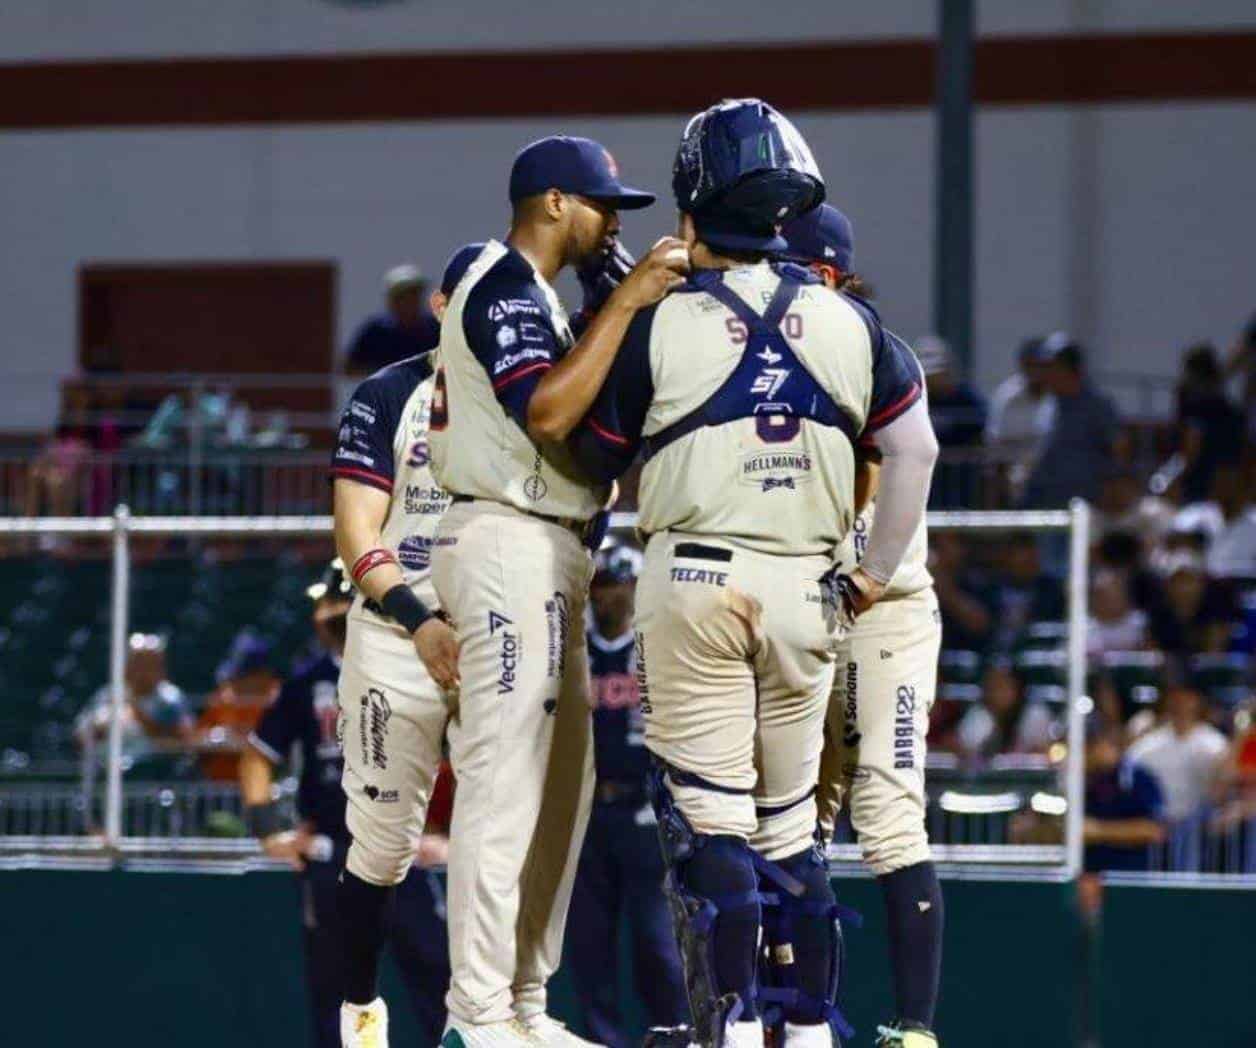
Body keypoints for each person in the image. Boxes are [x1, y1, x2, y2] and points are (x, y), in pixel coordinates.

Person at [569, 100, 936, 1048]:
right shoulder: (856, 324)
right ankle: (809, 1031)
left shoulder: (661, 321)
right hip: (811, 590)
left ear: (693, 202)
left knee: (715, 828)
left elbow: (592, 454)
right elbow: (917, 451)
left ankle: (730, 1029)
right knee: (790, 833)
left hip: (694, 582)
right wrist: (870, 575)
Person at [428, 133, 672, 1048]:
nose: (615, 224)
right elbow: (552, 410)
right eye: (607, 204)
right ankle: (477, 1013)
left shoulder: (542, 299)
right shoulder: (492, 275)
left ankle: (524, 1005)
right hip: (503, 540)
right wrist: (631, 298)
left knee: (563, 785)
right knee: (505, 780)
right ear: (557, 204)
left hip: (554, 547)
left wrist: (616, 306)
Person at [780, 203, 944, 1048]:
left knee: (885, 811)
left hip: (884, 604)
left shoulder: (870, 344)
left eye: (793, 266)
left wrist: (865, 569)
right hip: (809, 601)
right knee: (793, 816)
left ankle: (914, 1029)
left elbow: (890, 461)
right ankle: (801, 1020)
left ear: (832, 274)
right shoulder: (765, 352)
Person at [329, 245, 462, 1047]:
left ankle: (493, 1013)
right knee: (379, 849)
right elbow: (356, 533)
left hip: (491, 634)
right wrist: (420, 619)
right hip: (397, 627)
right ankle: (359, 1012)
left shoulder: (533, 397)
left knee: (509, 832)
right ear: (442, 305)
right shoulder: (387, 391)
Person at [239, 561, 453, 1047]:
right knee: (337, 988)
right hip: (334, 850)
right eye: (327, 612)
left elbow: (460, 751)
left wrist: (450, 833)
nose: (331, 620)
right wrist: (267, 828)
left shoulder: (410, 666)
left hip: (401, 844)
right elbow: (256, 756)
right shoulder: (306, 682)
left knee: (435, 971)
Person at [566, 542, 688, 1048]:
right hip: (589, 807)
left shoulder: (659, 645)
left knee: (657, 943)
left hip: (646, 807)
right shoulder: (577, 650)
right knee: (589, 946)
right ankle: (603, 1041)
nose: (607, 597)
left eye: (617, 586)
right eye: (600, 587)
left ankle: (676, 1035)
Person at [1021, 334, 1123, 511]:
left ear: (1068, 368)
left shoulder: (1097, 405)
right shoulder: (1050, 404)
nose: (1043, 374)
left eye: (1049, 367)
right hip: (1049, 502)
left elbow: (1119, 449)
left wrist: (1110, 493)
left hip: (1086, 505)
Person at [75, 632, 194, 768]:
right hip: (108, 770)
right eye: (138, 664)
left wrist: (137, 711)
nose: (143, 671)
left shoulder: (169, 699)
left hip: (154, 770)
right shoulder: (109, 694)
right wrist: (99, 730)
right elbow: (81, 735)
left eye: (150, 665)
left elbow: (183, 742)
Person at [1126, 685, 1228, 824]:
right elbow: (1127, 775)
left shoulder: (1215, 743)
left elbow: (1223, 786)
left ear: (1198, 703)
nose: (1182, 706)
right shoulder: (1148, 744)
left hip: (1200, 824)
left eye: (1187, 700)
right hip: (1155, 822)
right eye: (1177, 700)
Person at [912, 335, 985, 510]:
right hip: (919, 480)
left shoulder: (967, 400)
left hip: (961, 483)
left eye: (938, 373)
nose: (932, 379)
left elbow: (980, 436)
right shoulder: (909, 399)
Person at [198, 630, 280, 782]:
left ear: (262, 675)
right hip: (220, 789)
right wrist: (215, 737)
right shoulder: (224, 697)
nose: (234, 682)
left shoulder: (278, 699)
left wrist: (240, 739)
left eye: (241, 676)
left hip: (265, 789)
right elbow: (198, 737)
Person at [984, 337, 1054, 501]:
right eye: (1031, 365)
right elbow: (996, 448)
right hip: (1016, 480)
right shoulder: (1008, 397)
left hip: (1055, 476)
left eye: (1042, 365)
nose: (1037, 371)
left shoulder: (1061, 394)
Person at [1174, 342, 1244, 505]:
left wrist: (1172, 477)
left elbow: (1191, 447)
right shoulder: (1229, 408)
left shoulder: (1196, 404)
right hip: (1226, 484)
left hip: (1199, 484)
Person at [345, 264, 442, 376]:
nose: (411, 301)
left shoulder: (435, 329)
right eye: (405, 296)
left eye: (415, 294)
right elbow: (350, 368)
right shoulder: (375, 332)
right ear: (392, 300)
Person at [954, 660, 1057, 760]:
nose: (998, 693)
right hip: (989, 777)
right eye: (993, 687)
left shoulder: (1035, 714)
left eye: (1004, 686)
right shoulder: (978, 716)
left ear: (1018, 687)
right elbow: (964, 754)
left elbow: (1050, 753)